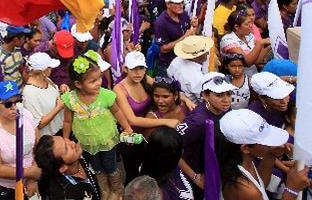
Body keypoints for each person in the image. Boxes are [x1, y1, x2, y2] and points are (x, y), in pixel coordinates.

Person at [62, 49, 132, 200]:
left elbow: (118, 112)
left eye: (99, 78)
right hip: (87, 140)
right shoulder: (71, 99)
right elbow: (67, 121)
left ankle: (116, 189)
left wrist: (126, 127)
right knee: (96, 165)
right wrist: (66, 138)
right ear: (78, 84)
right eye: (92, 81)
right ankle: (104, 188)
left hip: (106, 138)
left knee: (110, 164)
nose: (98, 83)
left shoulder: (105, 95)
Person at [114, 51, 180, 183]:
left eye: (141, 68)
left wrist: (183, 98)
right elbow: (132, 119)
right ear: (125, 69)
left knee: (150, 168)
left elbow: (165, 88)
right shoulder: (119, 89)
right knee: (133, 172)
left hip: (149, 134)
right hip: (131, 137)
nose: (138, 72)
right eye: (134, 69)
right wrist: (166, 121)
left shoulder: (145, 79)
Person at [217, 109, 311, 199]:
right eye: (265, 140)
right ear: (246, 148)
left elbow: (260, 186)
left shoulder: (243, 161)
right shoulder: (246, 189)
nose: (272, 143)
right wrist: (292, 189)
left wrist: (271, 155)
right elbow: (255, 192)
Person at [176, 72, 236, 199]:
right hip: (197, 178)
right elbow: (171, 149)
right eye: (219, 95)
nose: (226, 100)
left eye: (229, 93)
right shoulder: (197, 122)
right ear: (205, 95)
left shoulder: (226, 109)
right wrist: (194, 176)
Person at [0, 80, 41, 199]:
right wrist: (30, 173)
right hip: (7, 189)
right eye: (8, 104)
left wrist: (32, 179)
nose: (14, 108)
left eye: (18, 102)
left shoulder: (26, 115)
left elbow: (38, 146)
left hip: (33, 180)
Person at [34, 135, 101, 200]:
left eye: (65, 139)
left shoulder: (77, 154)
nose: (72, 143)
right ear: (63, 168)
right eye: (66, 149)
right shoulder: (67, 195)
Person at [22, 52, 65, 136]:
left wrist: (62, 88)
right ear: (43, 71)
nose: (51, 69)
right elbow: (39, 124)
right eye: (49, 67)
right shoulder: (29, 93)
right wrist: (58, 107)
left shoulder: (47, 79)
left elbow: (54, 96)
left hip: (59, 129)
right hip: (49, 138)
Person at [154, 0, 197, 71]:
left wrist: (194, 26)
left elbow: (190, 32)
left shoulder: (183, 14)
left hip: (185, 60)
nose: (181, 5)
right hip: (170, 64)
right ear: (168, 4)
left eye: (182, 2)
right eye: (177, 3)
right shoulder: (161, 22)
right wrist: (184, 37)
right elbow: (163, 49)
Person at [220, 10, 271, 77]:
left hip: (253, 76)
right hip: (236, 79)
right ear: (236, 27)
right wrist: (260, 43)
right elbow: (247, 62)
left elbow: (257, 61)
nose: (251, 26)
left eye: (251, 23)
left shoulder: (249, 36)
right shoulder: (227, 40)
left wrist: (270, 46)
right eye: (247, 24)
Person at [167, 35, 213, 103]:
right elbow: (205, 100)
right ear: (196, 56)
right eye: (204, 51)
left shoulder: (176, 61)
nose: (207, 53)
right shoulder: (196, 77)